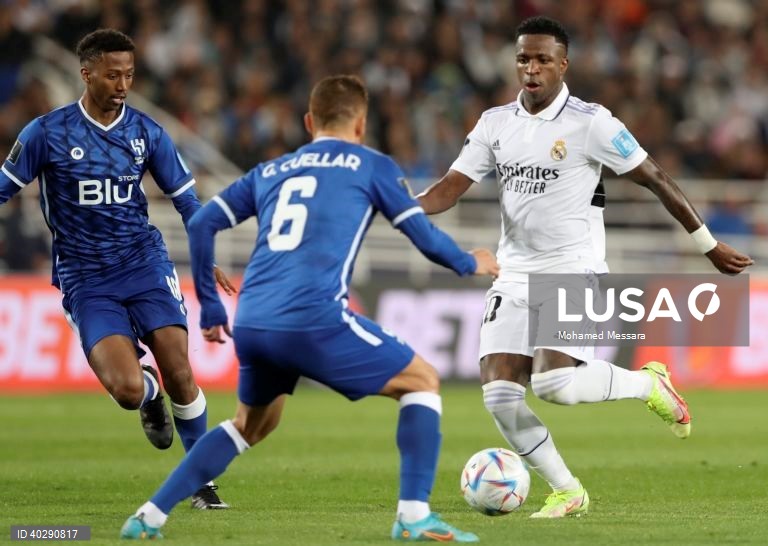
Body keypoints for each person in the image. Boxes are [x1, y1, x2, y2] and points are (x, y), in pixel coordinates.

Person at [120, 74, 499, 542]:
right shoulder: (370, 165)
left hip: (254, 320)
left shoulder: (272, 170)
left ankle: (149, 516)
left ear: (308, 122)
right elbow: (422, 236)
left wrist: (212, 306)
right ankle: (414, 516)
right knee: (422, 382)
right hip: (313, 316)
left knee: (249, 425)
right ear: (360, 124)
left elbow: (202, 225)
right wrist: (470, 262)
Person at [417, 16, 753, 519]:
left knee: (553, 385)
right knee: (501, 395)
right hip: (514, 272)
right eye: (523, 59)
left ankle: (647, 384)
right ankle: (568, 490)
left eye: (542, 60)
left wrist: (707, 245)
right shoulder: (495, 123)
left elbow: (656, 178)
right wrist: (398, 206)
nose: (531, 69)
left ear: (563, 64)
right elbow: (448, 189)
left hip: (573, 268)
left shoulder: (591, 122)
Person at [0, 29, 235, 509]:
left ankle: (200, 481)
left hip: (143, 262)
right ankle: (148, 397)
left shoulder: (147, 132)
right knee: (127, 389)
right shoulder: (47, 133)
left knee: (180, 368)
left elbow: (187, 199)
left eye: (129, 74)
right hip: (85, 277)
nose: (123, 84)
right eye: (113, 74)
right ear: (86, 74)